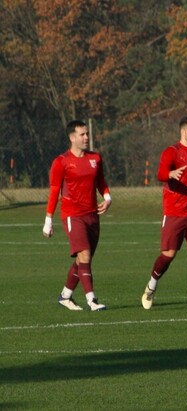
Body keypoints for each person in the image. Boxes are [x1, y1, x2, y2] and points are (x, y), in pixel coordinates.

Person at [140, 116, 187, 312]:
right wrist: (170, 174)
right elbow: (160, 174)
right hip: (175, 212)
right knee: (168, 255)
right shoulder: (171, 152)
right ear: (183, 132)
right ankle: (151, 286)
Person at [45, 120, 112, 311]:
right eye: (82, 134)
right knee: (85, 255)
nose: (86, 137)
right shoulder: (61, 162)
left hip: (92, 215)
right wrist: (48, 220)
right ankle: (92, 300)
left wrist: (108, 198)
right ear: (72, 137)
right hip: (72, 215)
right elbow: (54, 191)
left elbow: (100, 181)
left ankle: (65, 296)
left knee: (83, 259)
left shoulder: (95, 158)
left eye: (87, 134)